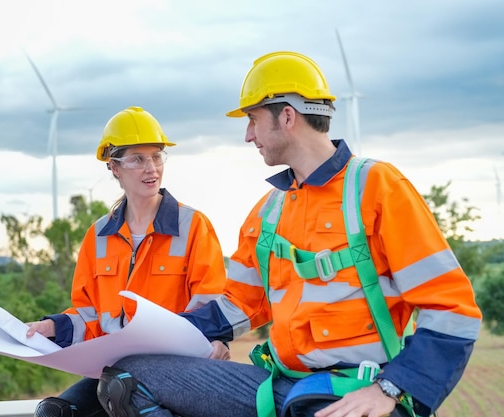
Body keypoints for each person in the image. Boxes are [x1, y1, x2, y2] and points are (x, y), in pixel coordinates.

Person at [95, 52, 483, 417]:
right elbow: (233, 309)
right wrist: (146, 336)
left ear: (286, 116)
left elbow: (453, 312)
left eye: (252, 119)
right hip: (284, 388)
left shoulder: (378, 188)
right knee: (128, 376)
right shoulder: (269, 211)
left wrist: (391, 389)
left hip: (356, 392)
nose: (248, 135)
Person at [26, 106, 229, 417]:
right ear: (114, 167)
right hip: (114, 370)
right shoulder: (98, 236)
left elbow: (210, 303)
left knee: (128, 400)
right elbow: (89, 315)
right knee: (54, 412)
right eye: (138, 159)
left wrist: (216, 339)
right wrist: (53, 326)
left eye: (157, 156)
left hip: (176, 370)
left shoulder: (193, 226)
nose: (152, 168)